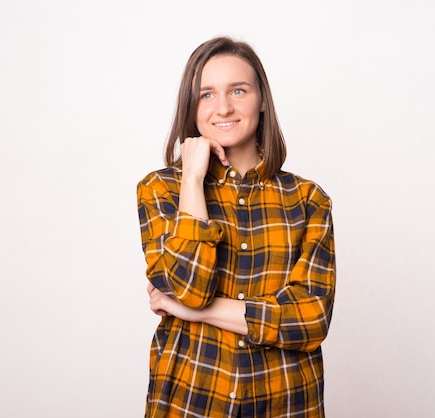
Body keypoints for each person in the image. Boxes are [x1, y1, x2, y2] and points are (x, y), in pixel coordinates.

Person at [136, 36, 336, 418]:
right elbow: (189, 289)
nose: (223, 107)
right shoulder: (160, 189)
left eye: (238, 90)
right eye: (206, 94)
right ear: (190, 106)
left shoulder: (309, 200)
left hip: (287, 403)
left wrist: (197, 313)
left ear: (262, 99)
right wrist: (192, 180)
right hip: (191, 400)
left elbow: (310, 320)